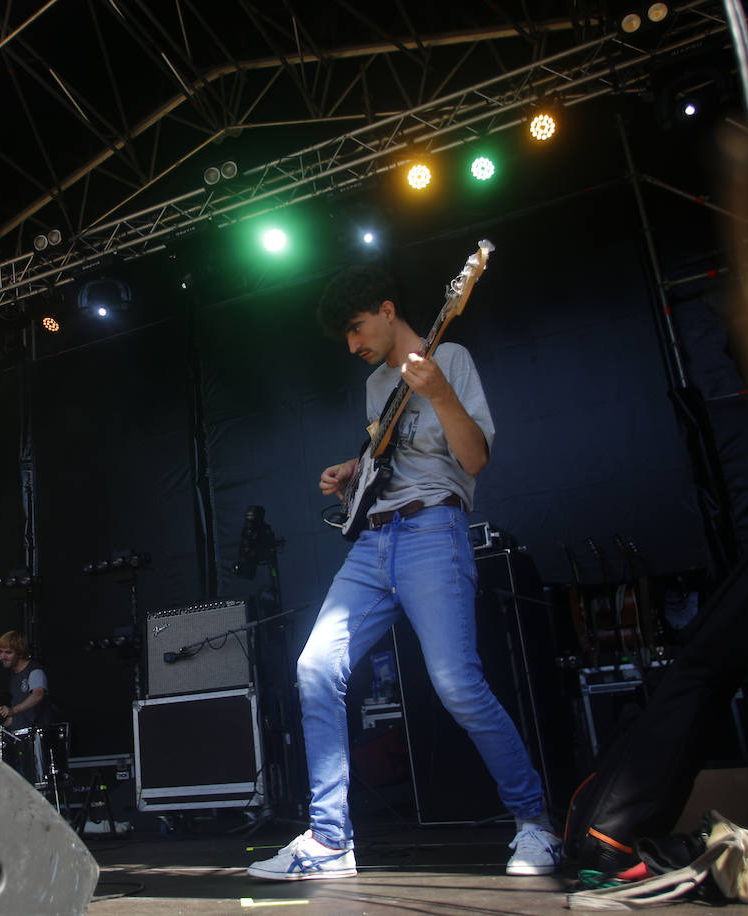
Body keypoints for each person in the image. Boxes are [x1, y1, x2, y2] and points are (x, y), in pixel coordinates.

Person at [247, 261, 561, 881]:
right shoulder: (375, 389)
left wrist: (439, 392)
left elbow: (472, 459)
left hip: (432, 532)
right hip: (373, 544)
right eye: (346, 337)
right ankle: (331, 842)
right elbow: (389, 454)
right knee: (314, 668)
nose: (353, 345)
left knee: (457, 685)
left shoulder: (455, 358)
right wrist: (351, 469)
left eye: (359, 329)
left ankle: (537, 824)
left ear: (389, 311)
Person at [0, 630, 50, 731]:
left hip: (35, 734)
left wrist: (13, 710)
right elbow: (16, 717)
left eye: (8, 652)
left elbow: (38, 694)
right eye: (1, 652)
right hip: (19, 736)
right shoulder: (13, 675)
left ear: (20, 653)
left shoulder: (34, 670)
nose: (3, 657)